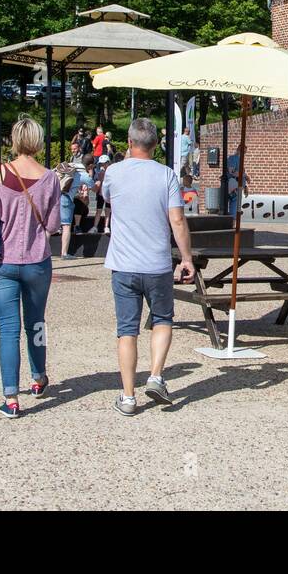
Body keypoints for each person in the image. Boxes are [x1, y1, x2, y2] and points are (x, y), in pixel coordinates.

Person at [100, 118, 195, 416]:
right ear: (156, 145)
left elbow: (106, 199)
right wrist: (187, 258)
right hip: (157, 264)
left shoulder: (113, 172)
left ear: (129, 143)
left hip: (124, 264)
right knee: (163, 319)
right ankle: (155, 376)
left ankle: (128, 397)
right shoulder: (167, 175)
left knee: (127, 329)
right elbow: (177, 220)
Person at [0, 117, 61, 419]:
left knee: (8, 331)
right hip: (38, 261)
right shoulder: (50, 177)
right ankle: (39, 378)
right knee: (36, 323)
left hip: (5, 262)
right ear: (38, 142)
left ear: (14, 140)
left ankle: (11, 397)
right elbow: (52, 225)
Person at [58, 151, 95, 261]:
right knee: (66, 226)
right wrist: (91, 172)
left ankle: (42, 253)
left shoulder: (71, 166)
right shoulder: (84, 175)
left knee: (49, 227)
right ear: (90, 165)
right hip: (65, 198)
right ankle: (64, 253)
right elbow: (95, 188)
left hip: (54, 197)